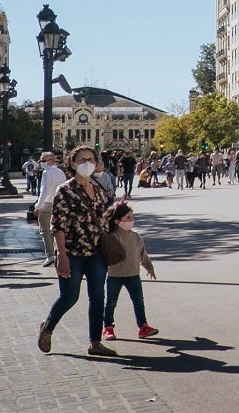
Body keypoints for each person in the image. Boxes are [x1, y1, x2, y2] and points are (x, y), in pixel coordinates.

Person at [38, 145, 117, 357]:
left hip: (96, 253)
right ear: (72, 163)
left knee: (98, 296)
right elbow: (58, 225)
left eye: (90, 159)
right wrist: (61, 255)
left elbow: (104, 219)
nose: (87, 163)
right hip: (72, 253)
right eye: (82, 159)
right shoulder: (65, 190)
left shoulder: (99, 189)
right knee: (69, 296)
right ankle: (48, 327)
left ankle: (95, 342)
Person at [101, 202, 160, 341]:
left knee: (138, 301)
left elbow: (142, 253)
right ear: (117, 221)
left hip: (133, 275)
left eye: (132, 217)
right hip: (115, 276)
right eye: (128, 217)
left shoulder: (136, 236)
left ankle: (143, 327)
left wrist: (149, 266)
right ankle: (108, 328)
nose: (131, 220)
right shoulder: (112, 237)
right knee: (111, 303)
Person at [34, 152, 67, 267]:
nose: (41, 163)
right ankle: (57, 252)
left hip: (47, 203)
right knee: (56, 229)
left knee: (45, 230)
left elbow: (44, 190)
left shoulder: (46, 173)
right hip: (58, 203)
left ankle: (49, 255)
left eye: (43, 160)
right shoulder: (61, 172)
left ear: (51, 161)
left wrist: (38, 206)